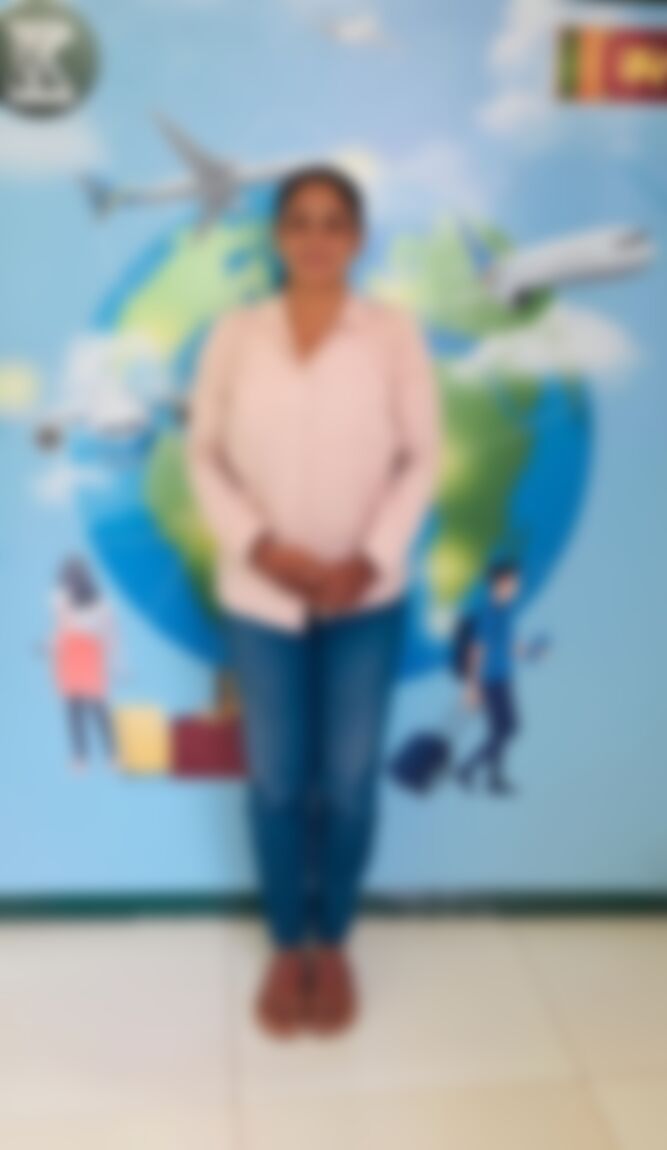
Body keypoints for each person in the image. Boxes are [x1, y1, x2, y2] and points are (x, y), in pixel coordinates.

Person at [188, 166, 441, 1036]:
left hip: (365, 599)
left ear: (357, 238)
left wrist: (368, 561)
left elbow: (422, 457)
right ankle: (282, 942)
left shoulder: (392, 333)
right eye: (298, 221)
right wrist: (261, 547)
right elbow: (202, 456)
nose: (315, 238)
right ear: (276, 235)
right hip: (260, 595)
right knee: (275, 785)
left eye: (334, 222)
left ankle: (329, 943)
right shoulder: (235, 334)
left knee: (349, 785)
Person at [457, 560, 522, 795]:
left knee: (503, 730)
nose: (516, 587)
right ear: (499, 584)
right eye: (512, 583)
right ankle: (467, 769)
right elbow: (476, 650)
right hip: (490, 680)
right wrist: (472, 686)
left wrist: (532, 651)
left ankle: (492, 777)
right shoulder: (490, 613)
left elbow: (507, 645)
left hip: (504, 677)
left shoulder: (506, 611)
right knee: (506, 729)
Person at [50, 556, 118, 772]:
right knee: (73, 707)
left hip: (90, 653)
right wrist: (53, 648)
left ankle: (112, 754)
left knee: (98, 707)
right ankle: (80, 757)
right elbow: (61, 627)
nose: (68, 585)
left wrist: (115, 660)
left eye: (71, 580)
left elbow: (106, 630)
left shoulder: (101, 602)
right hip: (70, 653)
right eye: (66, 580)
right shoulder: (60, 597)